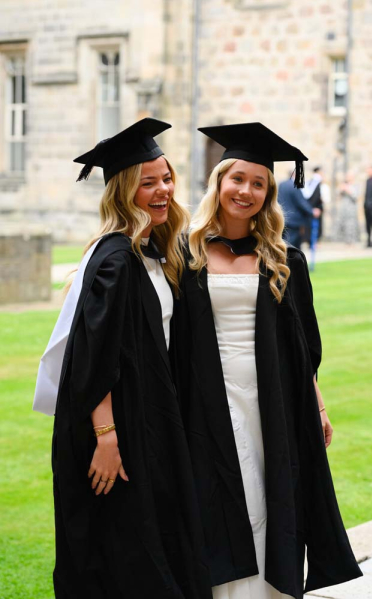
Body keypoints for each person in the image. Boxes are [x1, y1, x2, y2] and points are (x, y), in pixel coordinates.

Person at [173, 123, 362, 599]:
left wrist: (318, 406)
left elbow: (302, 348)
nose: (246, 191)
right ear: (219, 182)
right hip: (208, 401)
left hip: (271, 401)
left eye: (258, 183)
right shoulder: (184, 254)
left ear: (268, 195)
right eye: (237, 179)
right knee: (221, 497)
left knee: (269, 497)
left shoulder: (284, 260)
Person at [33, 119, 212, 599]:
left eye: (166, 178)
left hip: (147, 420)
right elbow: (93, 358)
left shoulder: (153, 252)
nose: (163, 190)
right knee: (122, 553)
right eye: (147, 182)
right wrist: (107, 438)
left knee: (150, 544)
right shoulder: (116, 260)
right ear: (124, 191)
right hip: (116, 428)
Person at [278, 173, 320, 249]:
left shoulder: (282, 184)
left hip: (283, 218)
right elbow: (301, 202)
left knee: (284, 242)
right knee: (292, 246)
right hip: (294, 221)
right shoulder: (295, 186)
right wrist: (312, 211)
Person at [301, 166, 324, 245]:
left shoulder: (310, 182)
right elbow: (317, 197)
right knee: (314, 226)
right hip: (315, 208)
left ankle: (310, 241)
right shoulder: (317, 182)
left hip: (310, 207)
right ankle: (313, 241)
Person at [335, 171, 360, 244]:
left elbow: (356, 196)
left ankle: (352, 241)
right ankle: (346, 241)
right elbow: (337, 194)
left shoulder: (356, 186)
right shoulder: (343, 184)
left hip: (351, 208)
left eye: (349, 176)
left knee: (351, 225)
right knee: (343, 225)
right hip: (344, 208)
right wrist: (341, 189)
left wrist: (348, 190)